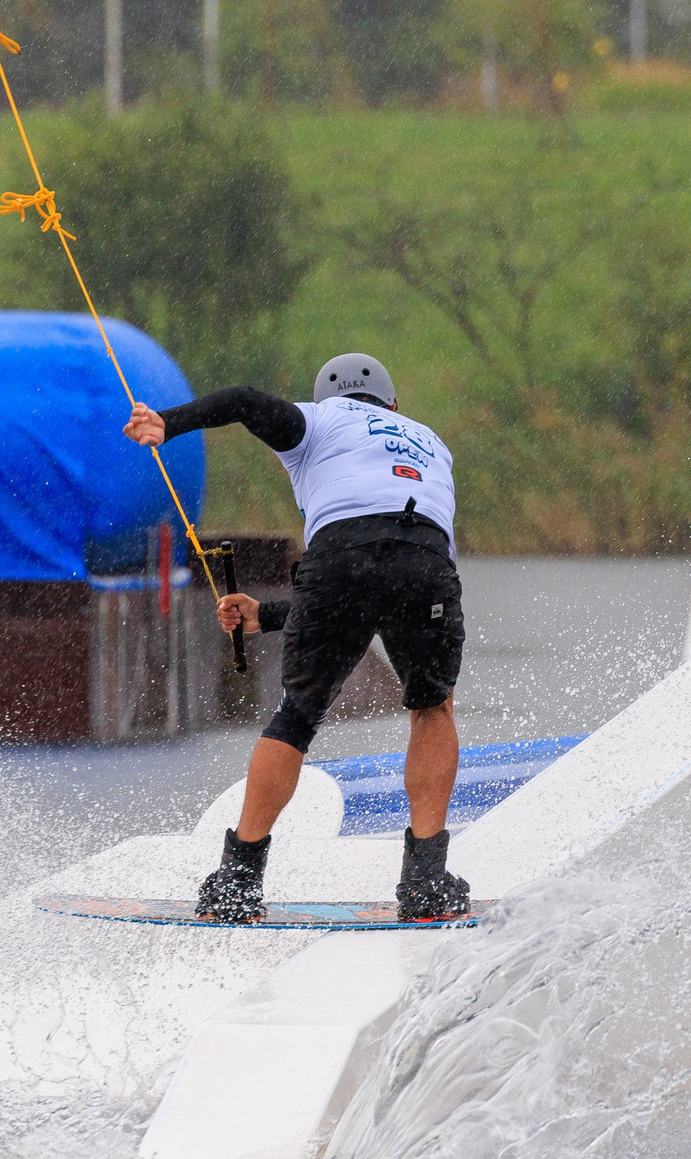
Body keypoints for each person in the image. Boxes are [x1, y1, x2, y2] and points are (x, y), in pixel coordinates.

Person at [123, 353, 470, 923]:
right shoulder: (431, 443)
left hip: (340, 561)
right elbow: (394, 568)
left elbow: (242, 401)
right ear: (393, 406)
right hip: (425, 561)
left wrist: (168, 422)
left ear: (327, 400)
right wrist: (269, 615)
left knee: (297, 717)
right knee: (433, 708)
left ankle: (236, 882)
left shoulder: (320, 419)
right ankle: (426, 882)